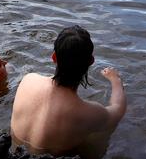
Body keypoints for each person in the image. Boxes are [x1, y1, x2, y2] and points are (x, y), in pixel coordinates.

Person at [10, 25, 126, 158]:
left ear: (54, 57)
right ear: (91, 62)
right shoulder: (89, 113)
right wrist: (115, 80)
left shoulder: (28, 80)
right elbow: (118, 110)